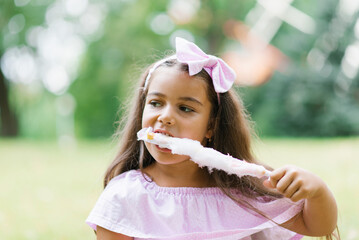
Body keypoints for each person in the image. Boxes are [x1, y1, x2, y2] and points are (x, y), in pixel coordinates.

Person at [86, 37, 338, 240]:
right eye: (155, 103)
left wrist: (318, 192)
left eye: (185, 108)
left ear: (211, 126)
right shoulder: (125, 196)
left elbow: (315, 226)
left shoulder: (241, 192)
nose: (165, 117)